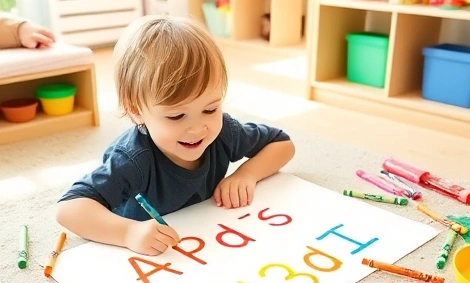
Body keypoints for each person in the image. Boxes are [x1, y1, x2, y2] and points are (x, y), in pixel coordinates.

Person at [56, 15, 295, 257]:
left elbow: (282, 144)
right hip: (150, 257)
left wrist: (247, 174)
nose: (197, 128)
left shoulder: (224, 131)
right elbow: (68, 208)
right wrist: (129, 233)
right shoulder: (132, 159)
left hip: (209, 239)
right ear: (136, 111)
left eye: (210, 109)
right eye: (176, 116)